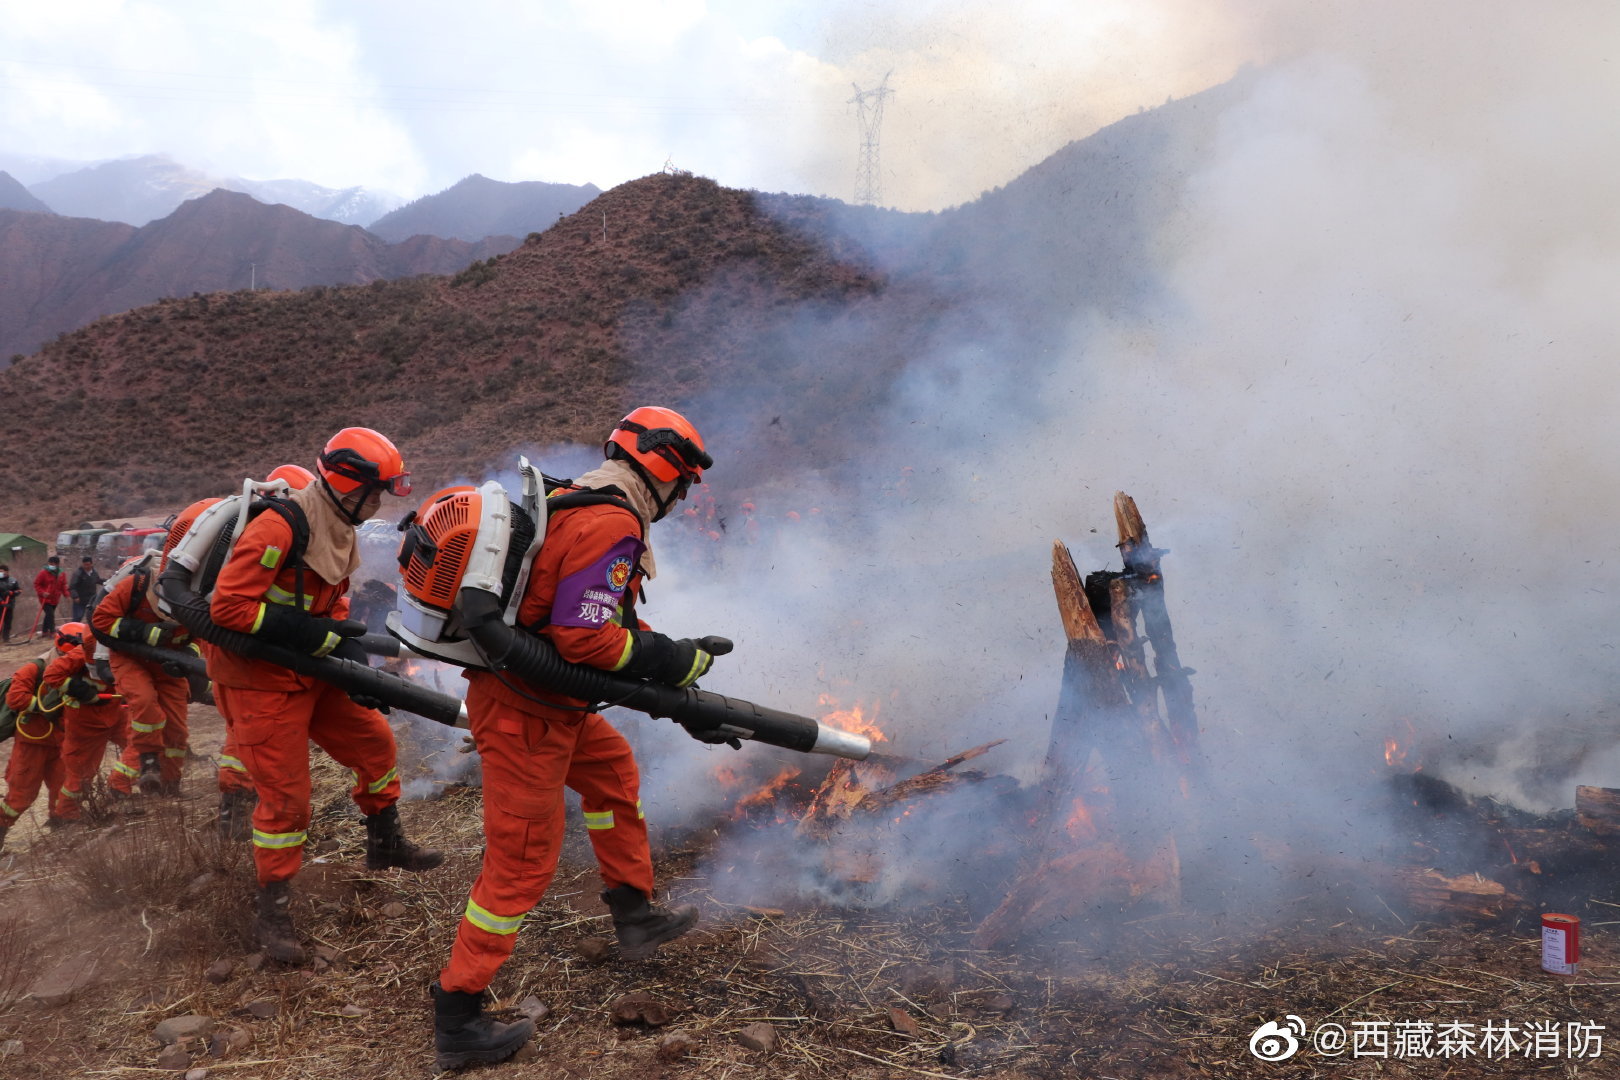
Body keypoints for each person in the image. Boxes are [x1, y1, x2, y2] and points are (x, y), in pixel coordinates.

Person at [431, 406, 716, 1071]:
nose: (684, 498)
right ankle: (458, 1010)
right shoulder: (611, 519)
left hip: (549, 700)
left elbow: (588, 623)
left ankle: (633, 911)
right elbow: (584, 637)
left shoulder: (580, 500)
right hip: (525, 709)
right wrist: (671, 660)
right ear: (666, 470)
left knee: (612, 773)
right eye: (687, 483)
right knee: (523, 862)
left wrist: (671, 661)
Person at [208, 430, 440, 963]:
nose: (379, 504)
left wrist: (352, 667)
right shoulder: (279, 526)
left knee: (376, 746)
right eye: (374, 492)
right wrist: (309, 634)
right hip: (258, 679)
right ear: (344, 483)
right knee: (288, 803)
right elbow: (229, 610)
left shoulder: (338, 525)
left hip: (308, 669)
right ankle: (274, 914)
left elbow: (332, 603)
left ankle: (386, 843)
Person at [92, 552, 191, 797]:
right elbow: (102, 619)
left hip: (169, 664)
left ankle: (170, 785)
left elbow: (202, 635)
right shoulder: (135, 586)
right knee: (145, 703)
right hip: (130, 659)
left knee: (177, 729)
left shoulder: (196, 593)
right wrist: (142, 631)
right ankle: (149, 763)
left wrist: (189, 653)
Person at [43, 622, 127, 823]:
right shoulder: (82, 654)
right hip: (84, 722)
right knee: (80, 774)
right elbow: (51, 675)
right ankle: (65, 817)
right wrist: (78, 689)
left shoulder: (122, 649)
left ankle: (120, 788)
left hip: (114, 713)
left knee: (143, 741)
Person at [0, 646, 68, 851]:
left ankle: (62, 833)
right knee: (20, 795)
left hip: (60, 742)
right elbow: (15, 697)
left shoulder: (78, 668)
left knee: (64, 791)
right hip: (31, 743)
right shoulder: (33, 669)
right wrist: (43, 705)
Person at [33, 556, 66, 638]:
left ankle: (44, 631)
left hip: (55, 598)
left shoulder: (61, 574)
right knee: (50, 614)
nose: (51, 565)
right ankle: (52, 631)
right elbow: (36, 584)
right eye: (50, 564)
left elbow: (63, 585)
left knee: (49, 615)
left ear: (57, 564)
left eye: (53, 564)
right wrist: (42, 592)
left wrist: (66, 594)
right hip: (45, 598)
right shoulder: (43, 573)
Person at [68, 557, 104, 622]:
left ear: (91, 564)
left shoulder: (94, 573)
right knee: (78, 617)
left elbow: (98, 580)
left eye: (88, 564)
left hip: (91, 599)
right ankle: (73, 630)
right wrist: (75, 596)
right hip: (80, 599)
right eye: (85, 565)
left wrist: (107, 581)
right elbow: (72, 586)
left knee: (92, 617)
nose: (86, 566)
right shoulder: (78, 573)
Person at [0, 564, 20, 644]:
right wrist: (1, 601)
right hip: (1, 604)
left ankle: (6, 638)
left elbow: (19, 590)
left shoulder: (13, 580)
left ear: (7, 572)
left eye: (1, 571)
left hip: (10, 604)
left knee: (8, 622)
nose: (0, 573)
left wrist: (12, 592)